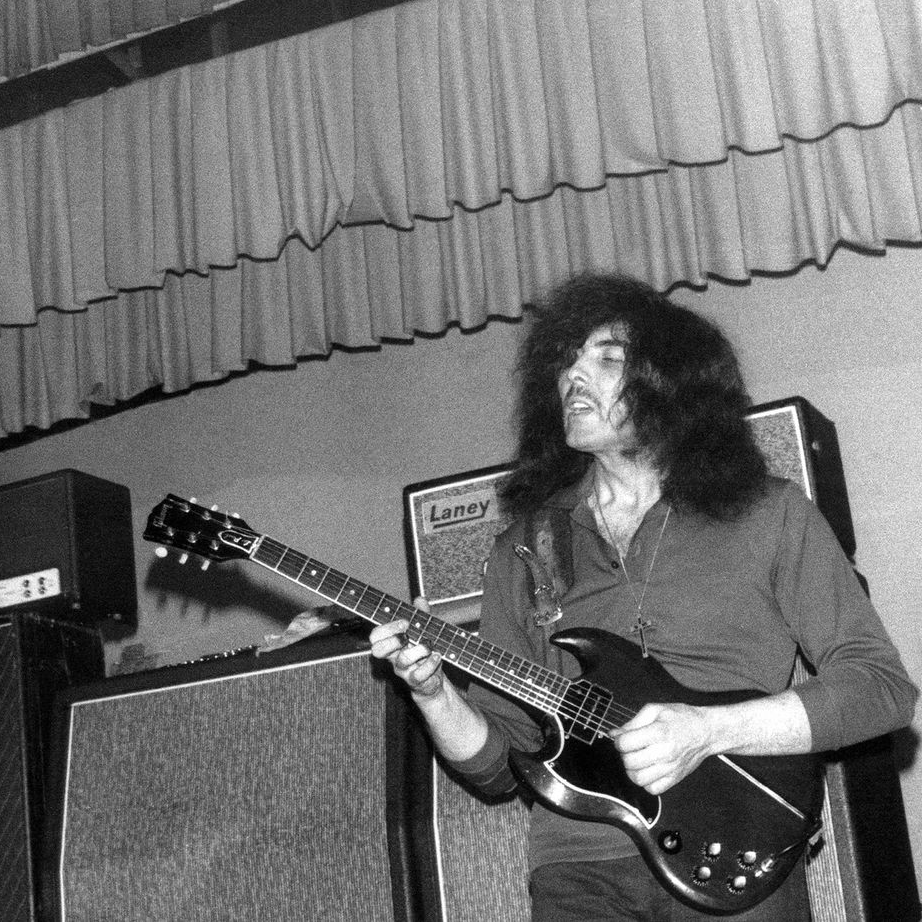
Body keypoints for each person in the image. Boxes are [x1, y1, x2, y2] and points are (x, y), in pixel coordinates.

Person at [370, 273, 917, 921]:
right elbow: (494, 762)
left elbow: (882, 688)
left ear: (670, 381)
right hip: (578, 868)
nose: (573, 374)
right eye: (567, 360)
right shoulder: (524, 547)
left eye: (604, 357)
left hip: (732, 841)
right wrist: (432, 693)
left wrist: (710, 729)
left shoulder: (769, 514)